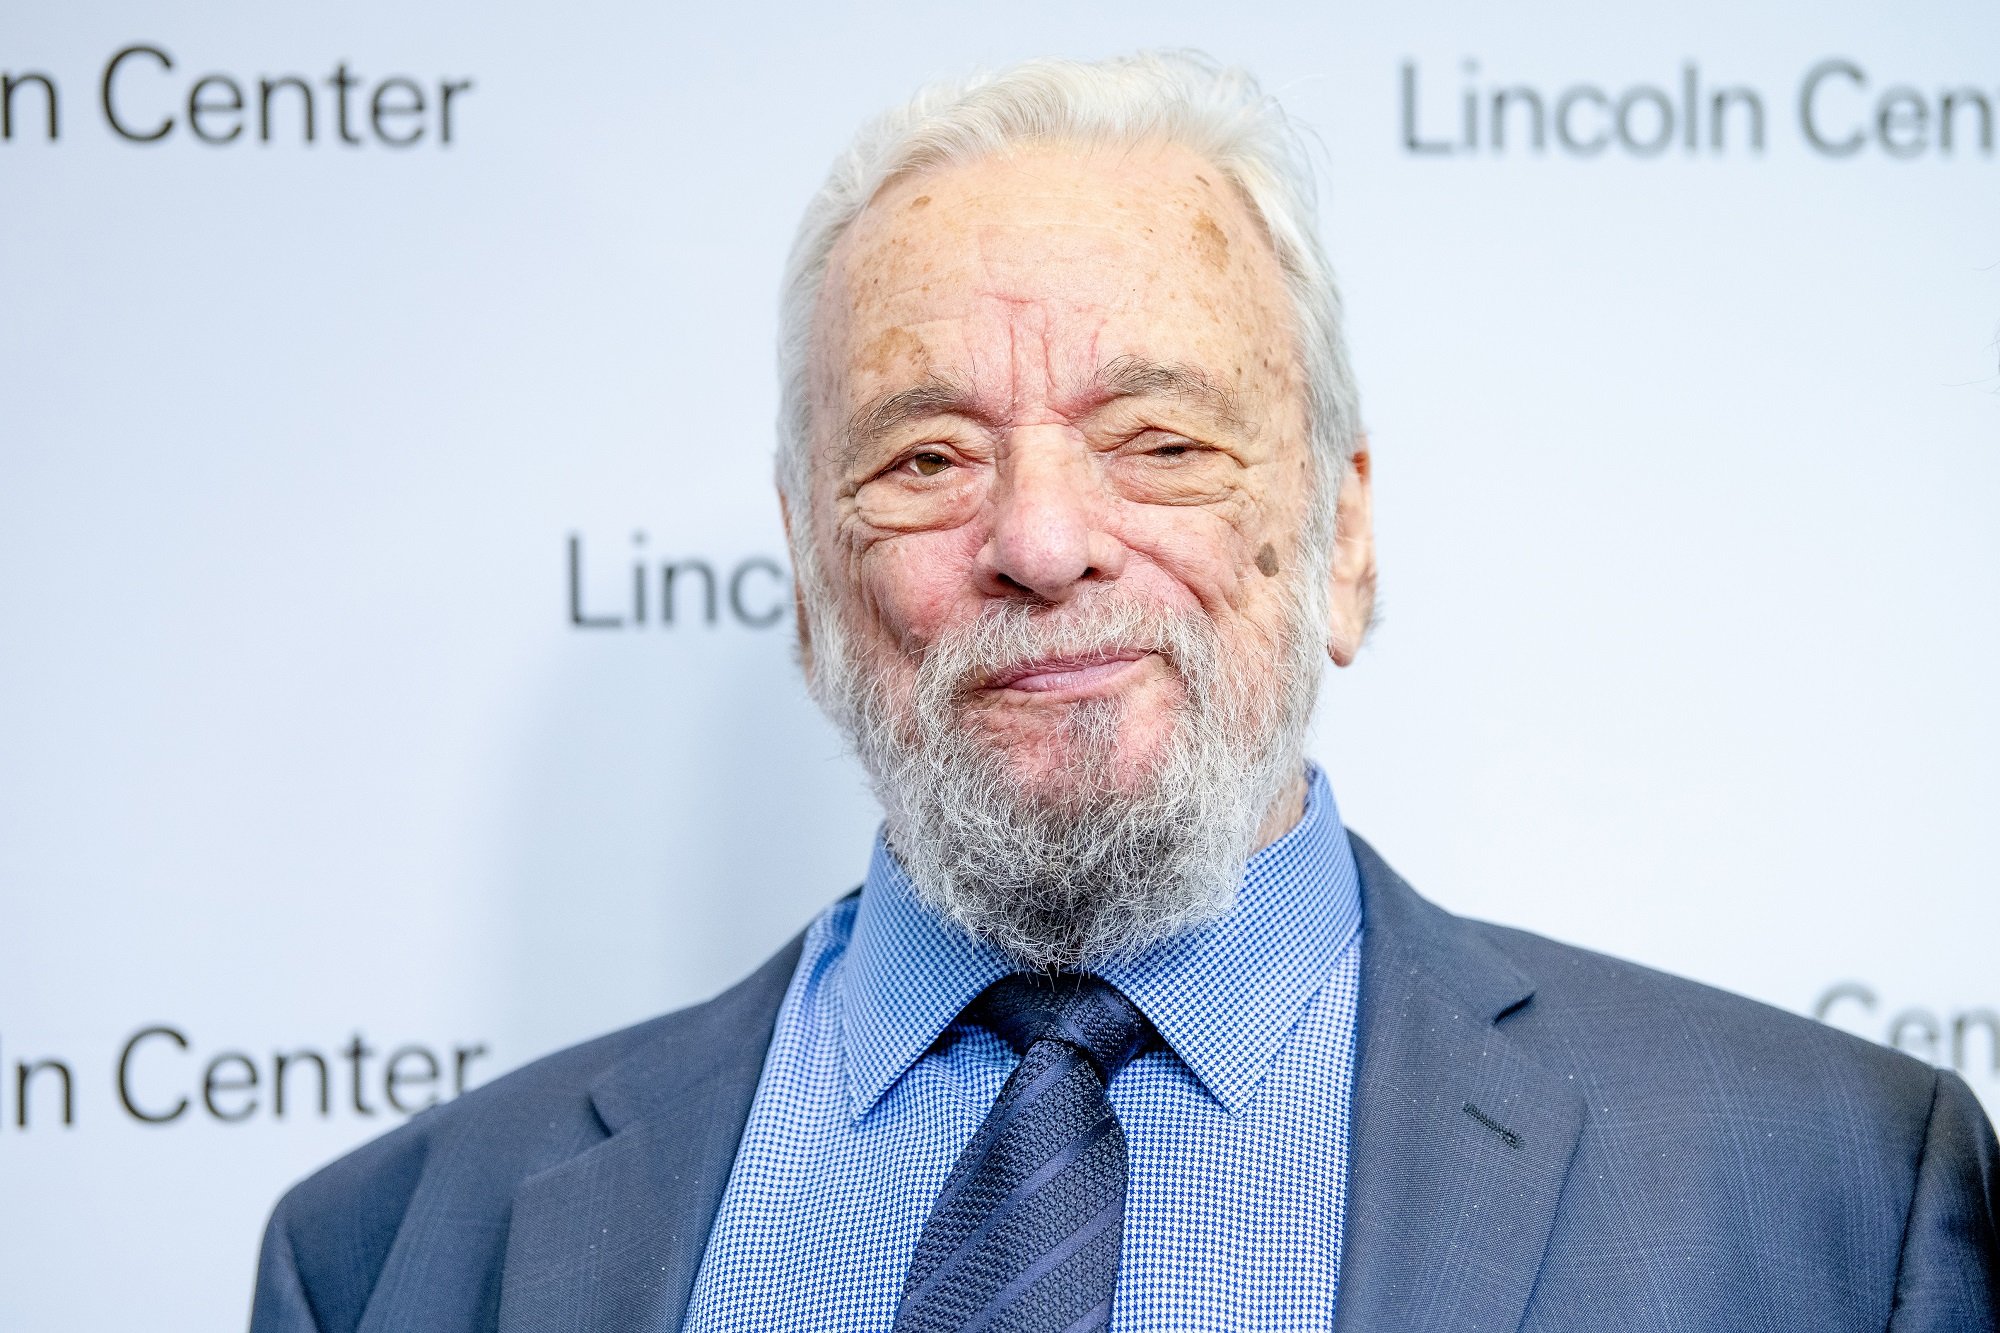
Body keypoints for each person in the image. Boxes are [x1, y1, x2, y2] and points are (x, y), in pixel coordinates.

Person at [249, 52, 1998, 1333]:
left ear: (1343, 539)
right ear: (806, 569)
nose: (1040, 538)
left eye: (1158, 440)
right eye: (926, 457)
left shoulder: (1836, 1197)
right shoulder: (403, 1254)